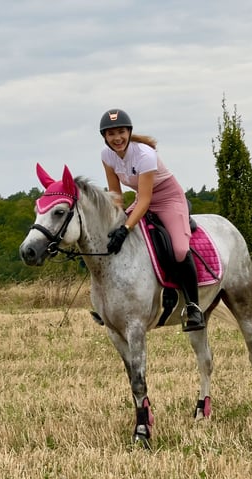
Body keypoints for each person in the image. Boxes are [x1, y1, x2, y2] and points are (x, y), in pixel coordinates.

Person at [99, 108, 205, 332]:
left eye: (121, 132)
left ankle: (194, 307)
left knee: (178, 250)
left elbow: (146, 200)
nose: (117, 138)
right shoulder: (106, 156)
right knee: (112, 240)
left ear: (129, 132)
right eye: (111, 134)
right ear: (105, 137)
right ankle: (110, 306)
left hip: (167, 199)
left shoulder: (145, 154)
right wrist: (118, 222)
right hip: (142, 199)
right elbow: (116, 194)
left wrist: (127, 227)